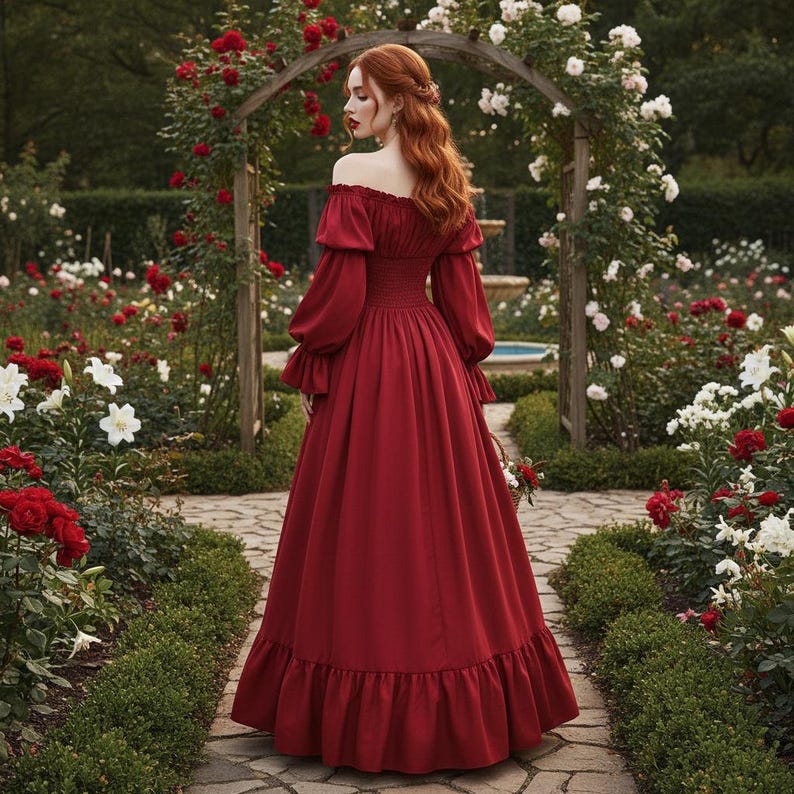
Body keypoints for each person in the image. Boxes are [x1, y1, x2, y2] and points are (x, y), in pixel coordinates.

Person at [230, 43, 578, 773]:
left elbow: (339, 301)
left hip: (370, 357)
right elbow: (468, 315)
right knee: (448, 522)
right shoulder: (442, 177)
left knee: (362, 521)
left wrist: (311, 344)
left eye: (359, 94)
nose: (348, 109)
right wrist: (452, 365)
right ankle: (474, 703)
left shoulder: (353, 173)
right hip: (429, 357)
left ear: (393, 98)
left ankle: (351, 704)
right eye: (347, 96)